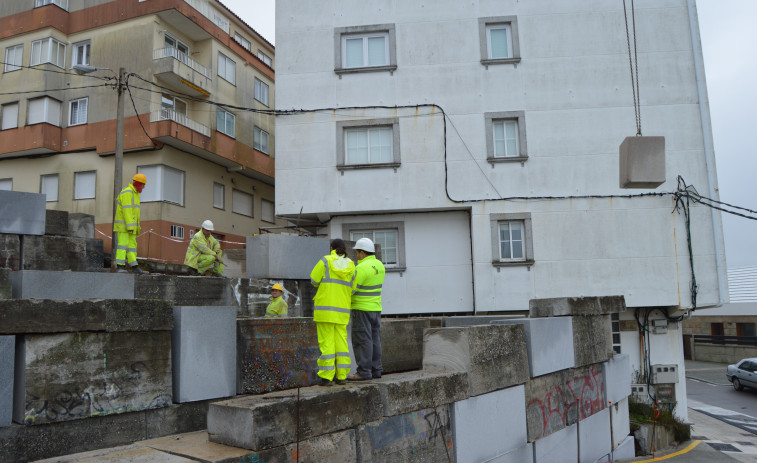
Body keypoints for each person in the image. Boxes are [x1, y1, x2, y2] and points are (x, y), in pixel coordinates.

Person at [310, 239, 355, 386]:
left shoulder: (325, 260)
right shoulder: (351, 264)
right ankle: (342, 376)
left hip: (325, 310)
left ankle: (327, 377)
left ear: (332, 248)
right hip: (342, 311)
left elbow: (314, 280)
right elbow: (353, 288)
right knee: (342, 343)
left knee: (327, 343)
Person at [347, 238, 386, 381]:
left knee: (362, 340)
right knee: (375, 339)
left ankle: (363, 371)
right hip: (375, 308)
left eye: (357, 252)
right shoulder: (380, 265)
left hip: (361, 308)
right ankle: (376, 370)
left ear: (362, 253)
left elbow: (351, 289)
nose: (356, 255)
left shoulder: (361, 268)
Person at [114, 173, 146, 274]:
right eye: (143, 185)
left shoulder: (134, 193)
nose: (144, 188)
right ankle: (120, 266)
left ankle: (134, 266)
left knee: (132, 245)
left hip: (129, 226)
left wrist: (135, 227)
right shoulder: (128, 192)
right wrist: (130, 226)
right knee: (122, 245)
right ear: (139, 184)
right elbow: (127, 211)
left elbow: (133, 213)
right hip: (124, 226)